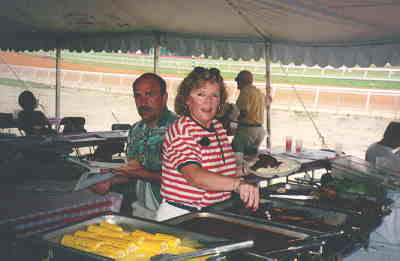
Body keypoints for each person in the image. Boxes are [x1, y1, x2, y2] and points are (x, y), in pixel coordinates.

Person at [156, 67, 259, 221]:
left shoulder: (217, 127)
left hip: (212, 212)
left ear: (220, 101)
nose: (208, 101)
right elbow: (195, 176)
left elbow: (217, 169)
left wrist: (247, 169)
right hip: (182, 215)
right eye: (201, 94)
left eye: (214, 95)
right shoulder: (182, 129)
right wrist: (238, 184)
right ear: (187, 99)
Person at [91, 73, 177, 219]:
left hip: (173, 212)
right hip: (141, 210)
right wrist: (108, 181)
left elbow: (187, 179)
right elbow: (132, 173)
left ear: (164, 97)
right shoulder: (136, 130)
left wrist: (140, 173)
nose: (143, 102)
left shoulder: (179, 129)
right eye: (137, 96)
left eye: (149, 94)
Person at [231, 70, 272, 156]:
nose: (237, 83)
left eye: (238, 81)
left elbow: (244, 112)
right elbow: (268, 101)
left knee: (235, 156)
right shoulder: (258, 92)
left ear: (242, 81)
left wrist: (233, 121)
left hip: (247, 130)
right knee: (251, 158)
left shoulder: (245, 92)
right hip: (260, 131)